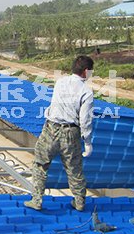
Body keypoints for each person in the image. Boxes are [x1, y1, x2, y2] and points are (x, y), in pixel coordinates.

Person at [24, 55, 94, 212]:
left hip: (51, 128)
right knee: (74, 169)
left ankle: (36, 200)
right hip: (71, 132)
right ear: (86, 71)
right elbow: (85, 120)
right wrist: (88, 143)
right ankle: (79, 202)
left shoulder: (60, 82)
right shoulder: (86, 92)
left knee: (40, 164)